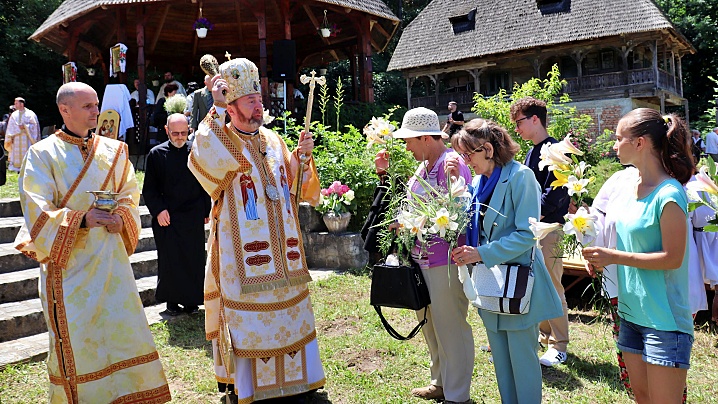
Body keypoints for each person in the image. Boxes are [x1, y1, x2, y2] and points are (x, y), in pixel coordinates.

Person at [13, 82, 170, 403]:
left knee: (122, 333)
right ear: (64, 110)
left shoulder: (113, 151)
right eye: (87, 106)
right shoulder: (41, 154)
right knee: (81, 339)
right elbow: (35, 209)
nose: (96, 111)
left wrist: (123, 216)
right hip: (69, 269)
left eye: (96, 104)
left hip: (112, 265)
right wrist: (83, 219)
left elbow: (129, 193)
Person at [188, 57, 325, 403]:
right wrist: (215, 107)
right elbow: (203, 159)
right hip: (242, 257)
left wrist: (302, 158)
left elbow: (292, 187)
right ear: (232, 107)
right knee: (247, 320)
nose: (258, 104)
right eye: (250, 100)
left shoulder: (273, 140)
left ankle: (297, 382)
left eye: (259, 99)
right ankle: (248, 387)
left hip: (285, 256)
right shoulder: (220, 136)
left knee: (290, 313)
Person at [582, 108, 695, 404]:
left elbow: (672, 258)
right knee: (642, 398)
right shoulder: (629, 188)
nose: (614, 145)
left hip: (665, 321)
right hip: (631, 315)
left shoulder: (669, 194)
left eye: (620, 139)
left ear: (641, 143)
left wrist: (613, 257)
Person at [447, 119, 563, 403]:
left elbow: (527, 234)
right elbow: (476, 226)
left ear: (487, 149)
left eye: (468, 154)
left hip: (518, 283)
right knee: (501, 363)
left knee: (523, 365)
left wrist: (482, 254)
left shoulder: (521, 176)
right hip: (489, 283)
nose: (466, 161)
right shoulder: (478, 181)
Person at [376, 107, 474, 404]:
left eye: (409, 140)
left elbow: (462, 213)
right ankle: (440, 383)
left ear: (425, 138)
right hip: (421, 259)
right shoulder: (424, 167)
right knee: (429, 324)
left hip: (445, 261)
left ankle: (458, 395)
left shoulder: (452, 164)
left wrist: (412, 222)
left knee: (450, 326)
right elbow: (415, 208)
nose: (406, 146)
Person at [511, 96, 570, 367]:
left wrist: (528, 218)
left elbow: (557, 195)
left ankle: (560, 345)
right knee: (536, 286)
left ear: (536, 119)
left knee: (553, 287)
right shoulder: (532, 150)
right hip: (534, 228)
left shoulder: (558, 149)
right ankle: (543, 337)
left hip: (550, 228)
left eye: (519, 122)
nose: (516, 129)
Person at [143, 113, 210, 316]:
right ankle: (172, 301)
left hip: (192, 215)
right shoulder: (156, 154)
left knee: (193, 258)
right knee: (170, 259)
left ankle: (192, 301)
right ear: (166, 131)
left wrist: (205, 211)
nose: (180, 137)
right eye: (175, 133)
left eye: (183, 133)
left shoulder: (197, 153)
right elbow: (150, 190)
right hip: (167, 216)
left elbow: (204, 185)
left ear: (189, 130)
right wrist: (158, 211)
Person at [4, 97, 40, 172]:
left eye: (16, 103)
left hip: (27, 138)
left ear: (21, 104)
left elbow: (34, 126)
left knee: (26, 153)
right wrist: (11, 136)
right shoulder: (14, 115)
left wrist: (25, 126)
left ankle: (27, 166)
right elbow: (10, 126)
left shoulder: (30, 114)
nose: (14, 105)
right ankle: (17, 169)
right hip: (16, 138)